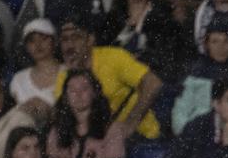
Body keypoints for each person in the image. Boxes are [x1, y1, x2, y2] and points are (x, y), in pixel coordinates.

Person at [56, 13, 163, 141]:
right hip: (100, 147)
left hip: (141, 138)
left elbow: (153, 83)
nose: (69, 46)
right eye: (64, 39)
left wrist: (130, 124)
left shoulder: (113, 57)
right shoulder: (63, 79)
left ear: (90, 40)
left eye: (76, 37)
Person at [9, 18, 62, 122]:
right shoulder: (18, 79)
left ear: (54, 41)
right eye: (32, 40)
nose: (38, 44)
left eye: (43, 38)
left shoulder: (69, 72)